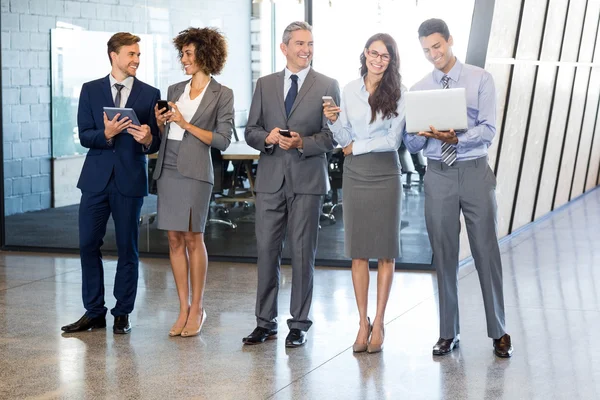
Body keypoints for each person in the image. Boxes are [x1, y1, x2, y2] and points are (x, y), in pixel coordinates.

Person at [403, 18, 513, 357]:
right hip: (438, 175)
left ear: (450, 40)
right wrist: (418, 135)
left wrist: (458, 138)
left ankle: (498, 331)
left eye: (437, 46)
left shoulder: (480, 79)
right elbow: (410, 144)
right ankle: (448, 332)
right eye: (426, 50)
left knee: (486, 251)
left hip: (474, 172)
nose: (433, 54)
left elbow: (488, 129)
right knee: (444, 253)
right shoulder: (419, 88)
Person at [243, 21, 340, 348]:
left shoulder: (327, 84)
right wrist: (267, 138)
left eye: (310, 43)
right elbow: (250, 130)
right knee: (267, 252)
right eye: (299, 43)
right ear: (284, 48)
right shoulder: (265, 84)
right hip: (270, 180)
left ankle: (298, 324)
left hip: (308, 181)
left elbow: (332, 137)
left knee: (302, 254)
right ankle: (264, 322)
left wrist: (302, 142)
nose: (306, 49)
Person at [61, 32, 161, 334]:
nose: (136, 60)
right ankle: (93, 311)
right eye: (131, 54)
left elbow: (154, 140)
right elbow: (84, 136)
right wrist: (105, 134)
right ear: (113, 55)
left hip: (129, 179)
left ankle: (122, 313)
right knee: (88, 244)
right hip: (95, 180)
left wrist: (147, 140)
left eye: (139, 55)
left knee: (128, 247)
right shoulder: (90, 90)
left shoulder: (149, 93)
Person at [323, 33, 404, 353]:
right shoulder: (348, 89)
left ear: (391, 61)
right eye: (374, 53)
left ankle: (380, 321)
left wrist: (357, 146)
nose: (378, 60)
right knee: (358, 251)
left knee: (385, 250)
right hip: (355, 174)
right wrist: (332, 122)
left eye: (385, 56)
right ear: (365, 54)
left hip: (385, 173)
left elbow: (393, 140)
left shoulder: (400, 93)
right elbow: (344, 138)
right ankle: (362, 322)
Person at [152, 28, 234, 338]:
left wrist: (186, 124)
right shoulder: (174, 89)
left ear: (205, 55)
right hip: (168, 165)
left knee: (192, 237)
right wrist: (162, 124)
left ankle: (198, 308)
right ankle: (183, 308)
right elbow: (167, 132)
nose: (183, 59)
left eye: (188, 53)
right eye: (182, 53)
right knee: (174, 238)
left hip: (197, 170)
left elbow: (223, 140)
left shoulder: (222, 93)